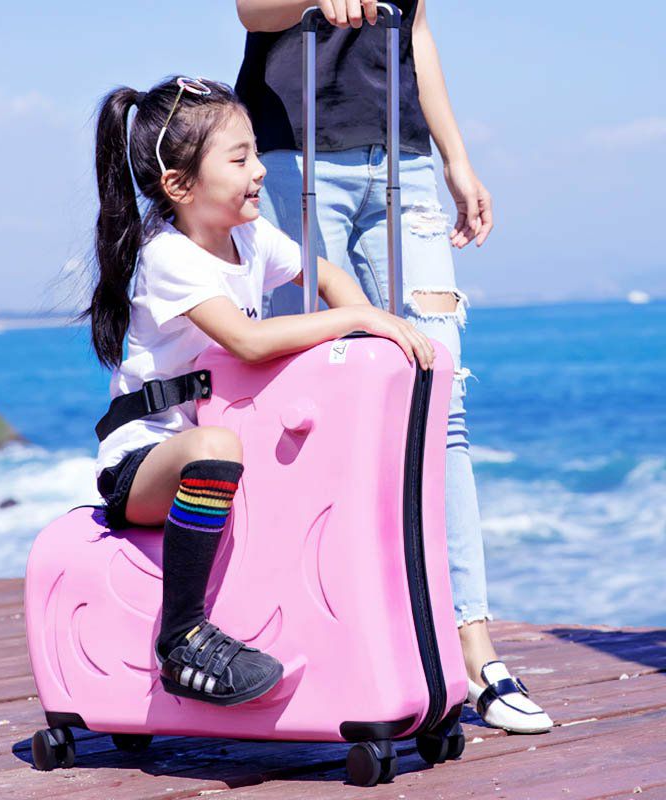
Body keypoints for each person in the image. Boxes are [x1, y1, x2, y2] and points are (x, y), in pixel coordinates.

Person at [234, 0, 553, 731]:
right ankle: (314, 631)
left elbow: (417, 29)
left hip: (404, 166)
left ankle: (472, 650)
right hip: (293, 161)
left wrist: (456, 159)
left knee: (440, 403)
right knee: (304, 407)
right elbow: (251, 13)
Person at [85, 76, 435, 707]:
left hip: (209, 458)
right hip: (142, 466)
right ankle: (181, 637)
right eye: (239, 159)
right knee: (214, 444)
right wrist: (358, 319)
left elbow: (324, 275)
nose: (258, 171)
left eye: (254, 154)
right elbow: (246, 342)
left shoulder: (249, 238)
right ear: (180, 186)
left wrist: (366, 343)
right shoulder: (169, 258)